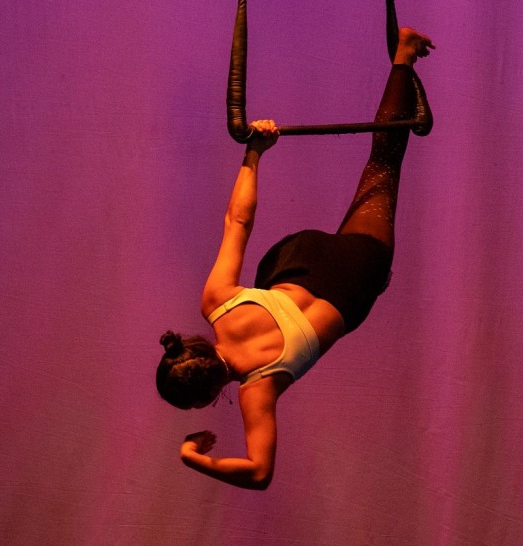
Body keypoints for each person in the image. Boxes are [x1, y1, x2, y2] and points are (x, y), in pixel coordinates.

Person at [156, 28, 434, 490]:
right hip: (300, 256)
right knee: (371, 175)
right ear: (192, 346)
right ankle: (402, 62)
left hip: (356, 274)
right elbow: (237, 223)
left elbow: (259, 473)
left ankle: (403, 57)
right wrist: (254, 153)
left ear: (206, 400)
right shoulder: (217, 303)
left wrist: (193, 458)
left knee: (384, 165)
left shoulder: (257, 391)